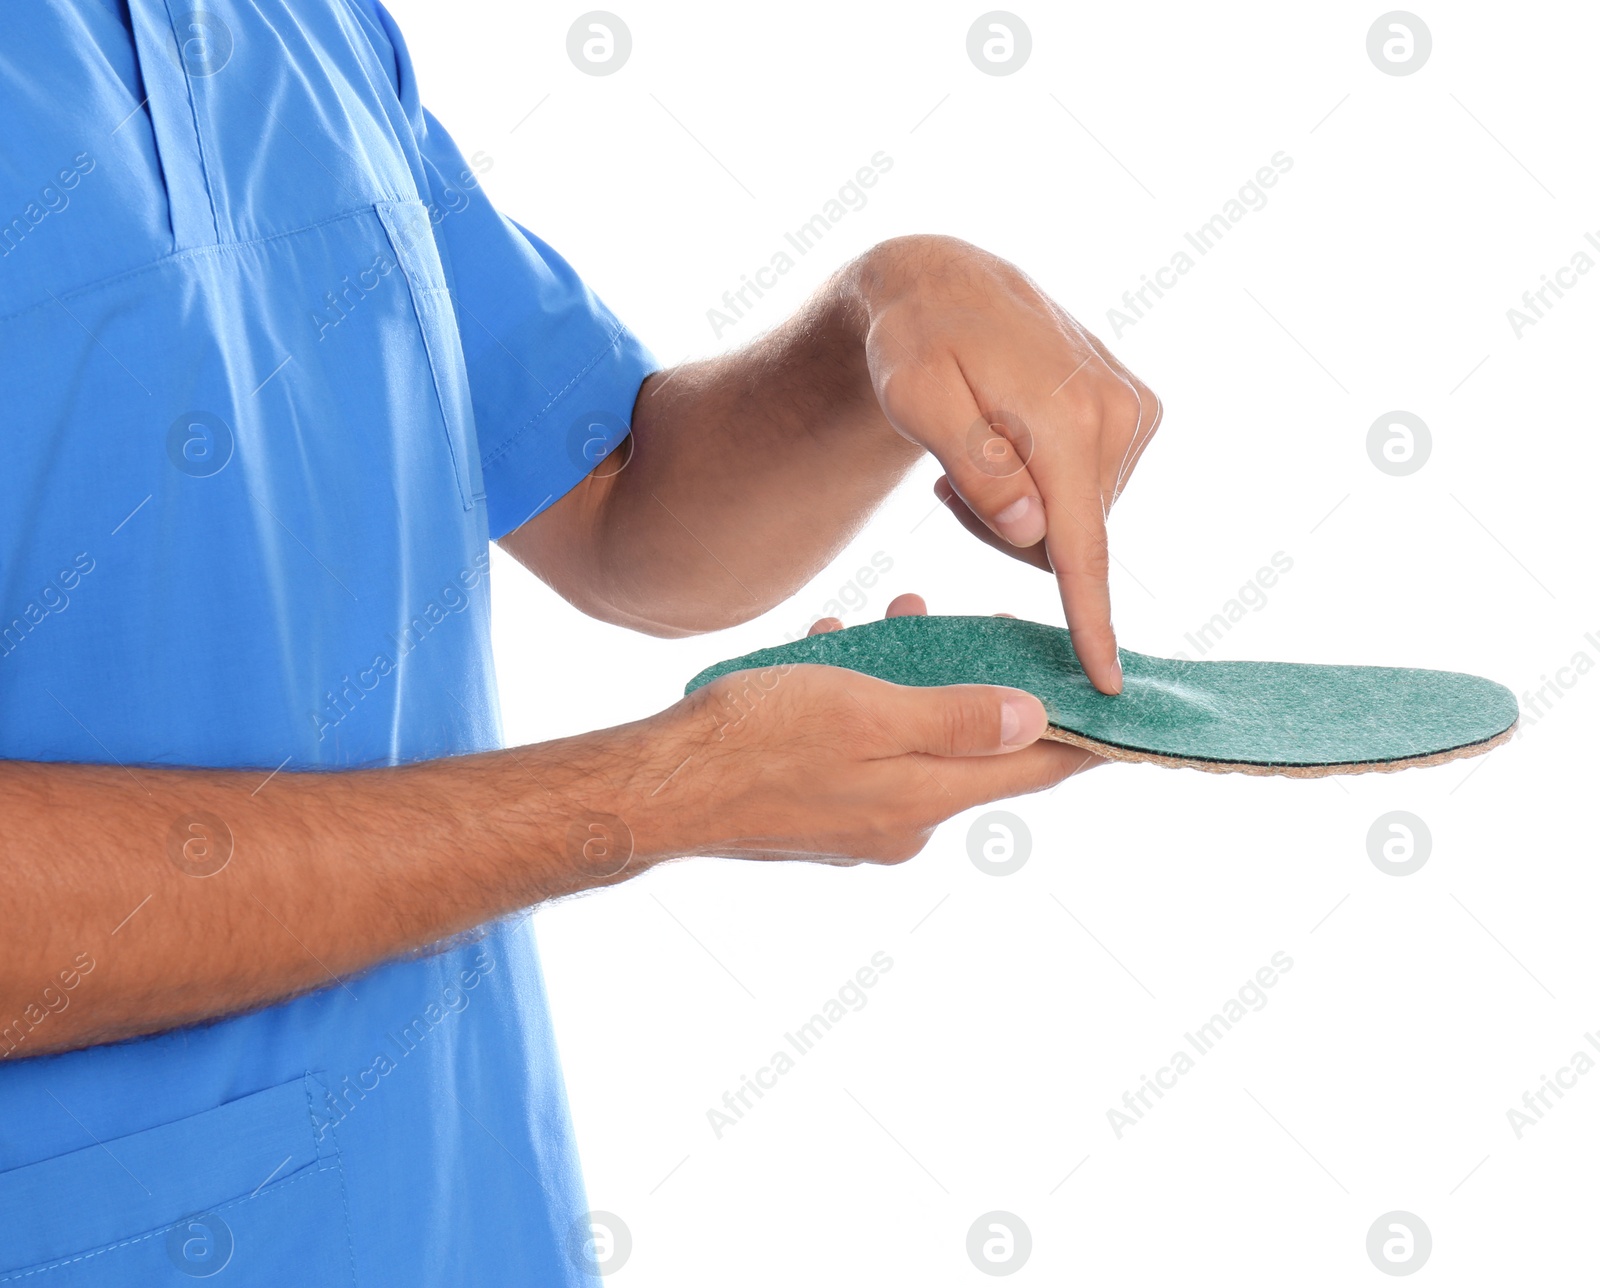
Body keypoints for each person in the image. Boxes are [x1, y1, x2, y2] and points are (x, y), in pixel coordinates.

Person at [0, 2, 1159, 1283]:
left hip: (464, 1217)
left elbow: (613, 507)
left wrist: (881, 318)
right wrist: (657, 795)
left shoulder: (296, 29)